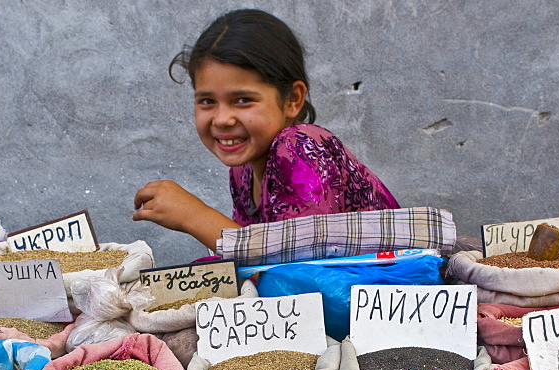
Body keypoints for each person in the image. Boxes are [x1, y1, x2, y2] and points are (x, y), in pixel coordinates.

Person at [133, 9, 398, 251]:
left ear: (293, 99)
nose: (222, 118)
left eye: (243, 100)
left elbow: (299, 272)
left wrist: (194, 216)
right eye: (207, 101)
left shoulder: (301, 147)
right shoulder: (243, 172)